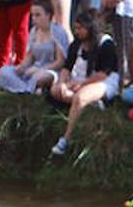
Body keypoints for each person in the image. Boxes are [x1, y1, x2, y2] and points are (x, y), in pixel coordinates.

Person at [49, 10, 119, 156]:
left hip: (104, 81)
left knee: (79, 97)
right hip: (80, 81)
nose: (77, 31)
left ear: (90, 27)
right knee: (55, 90)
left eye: (80, 28)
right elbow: (67, 67)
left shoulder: (106, 44)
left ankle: (65, 139)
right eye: (76, 28)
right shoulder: (76, 44)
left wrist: (82, 84)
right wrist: (62, 83)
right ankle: (91, 104)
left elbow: (103, 73)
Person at [0, 0, 69, 94]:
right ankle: (29, 88)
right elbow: (30, 56)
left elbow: (60, 62)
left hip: (51, 70)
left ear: (48, 15)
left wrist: (41, 69)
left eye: (38, 15)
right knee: (4, 71)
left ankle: (27, 87)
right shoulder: (34, 31)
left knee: (41, 77)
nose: (34, 18)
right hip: (33, 68)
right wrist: (21, 68)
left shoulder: (58, 31)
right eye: (33, 15)